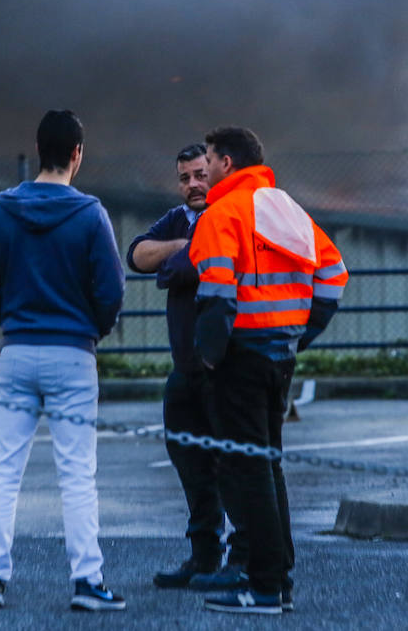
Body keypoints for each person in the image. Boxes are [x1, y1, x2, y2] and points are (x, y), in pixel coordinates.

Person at [0, 109, 128, 612]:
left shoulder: (0, 210)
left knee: (3, 468)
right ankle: (87, 581)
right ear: (77, 154)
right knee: (77, 473)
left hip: (15, 353)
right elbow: (111, 289)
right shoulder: (90, 214)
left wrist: (12, 317)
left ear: (38, 149)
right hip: (72, 355)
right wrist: (93, 328)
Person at [187, 126, 348, 615]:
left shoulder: (222, 214)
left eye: (210, 160)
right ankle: (277, 581)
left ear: (228, 163)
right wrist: (298, 335)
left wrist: (209, 357)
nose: (206, 169)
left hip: (239, 358)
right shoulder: (290, 210)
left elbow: (215, 294)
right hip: (279, 358)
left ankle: (262, 589)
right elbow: (334, 276)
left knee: (248, 469)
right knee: (268, 465)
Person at [127, 143, 247, 590]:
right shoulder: (179, 220)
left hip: (225, 367)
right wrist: (181, 247)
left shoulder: (231, 216)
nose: (194, 184)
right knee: (190, 463)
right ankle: (204, 557)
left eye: (200, 174)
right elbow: (137, 256)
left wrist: (176, 264)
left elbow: (185, 272)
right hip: (185, 370)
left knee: (234, 466)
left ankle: (243, 559)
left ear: (216, 171)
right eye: (185, 178)